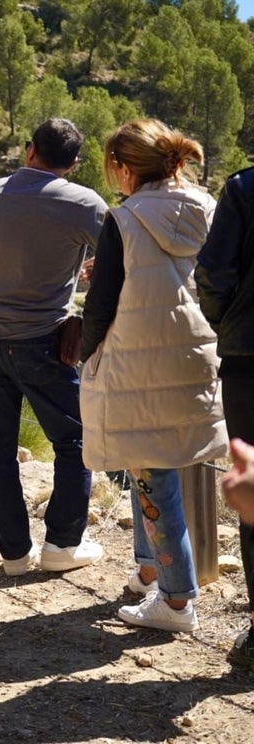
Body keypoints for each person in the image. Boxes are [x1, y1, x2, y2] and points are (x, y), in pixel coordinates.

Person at [80, 119, 227, 634]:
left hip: (139, 361)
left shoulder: (123, 219)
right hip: (199, 357)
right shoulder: (210, 207)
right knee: (154, 467)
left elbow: (101, 307)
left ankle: (177, 600)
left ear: (123, 169)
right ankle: (147, 574)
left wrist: (85, 353)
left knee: (150, 474)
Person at [0, 118, 107, 576]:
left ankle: (14, 555)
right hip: (42, 339)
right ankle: (62, 544)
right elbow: (126, 256)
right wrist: (85, 308)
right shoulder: (84, 203)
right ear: (75, 163)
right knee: (75, 439)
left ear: (29, 151)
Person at [195, 165, 254, 661]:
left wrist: (229, 323)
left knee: (253, 489)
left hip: (250, 359)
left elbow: (213, 273)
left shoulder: (244, 188)